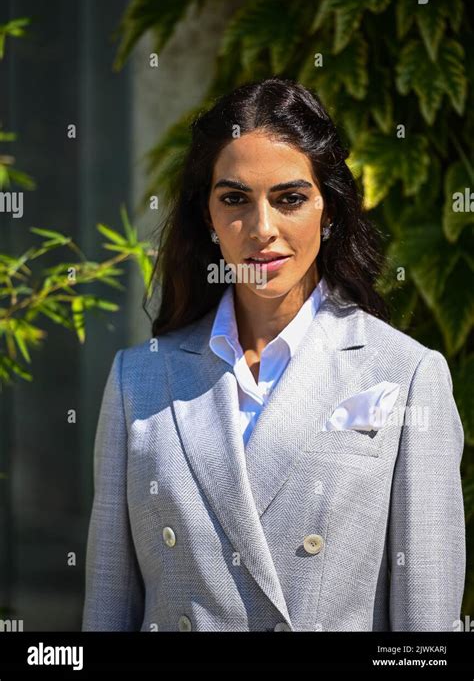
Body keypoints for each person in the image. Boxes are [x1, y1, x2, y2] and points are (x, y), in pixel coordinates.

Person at [82, 78, 465, 632]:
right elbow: (107, 614)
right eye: (235, 199)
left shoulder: (405, 375)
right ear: (207, 217)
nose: (262, 230)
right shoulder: (137, 379)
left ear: (328, 210)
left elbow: (426, 632)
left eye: (289, 199)